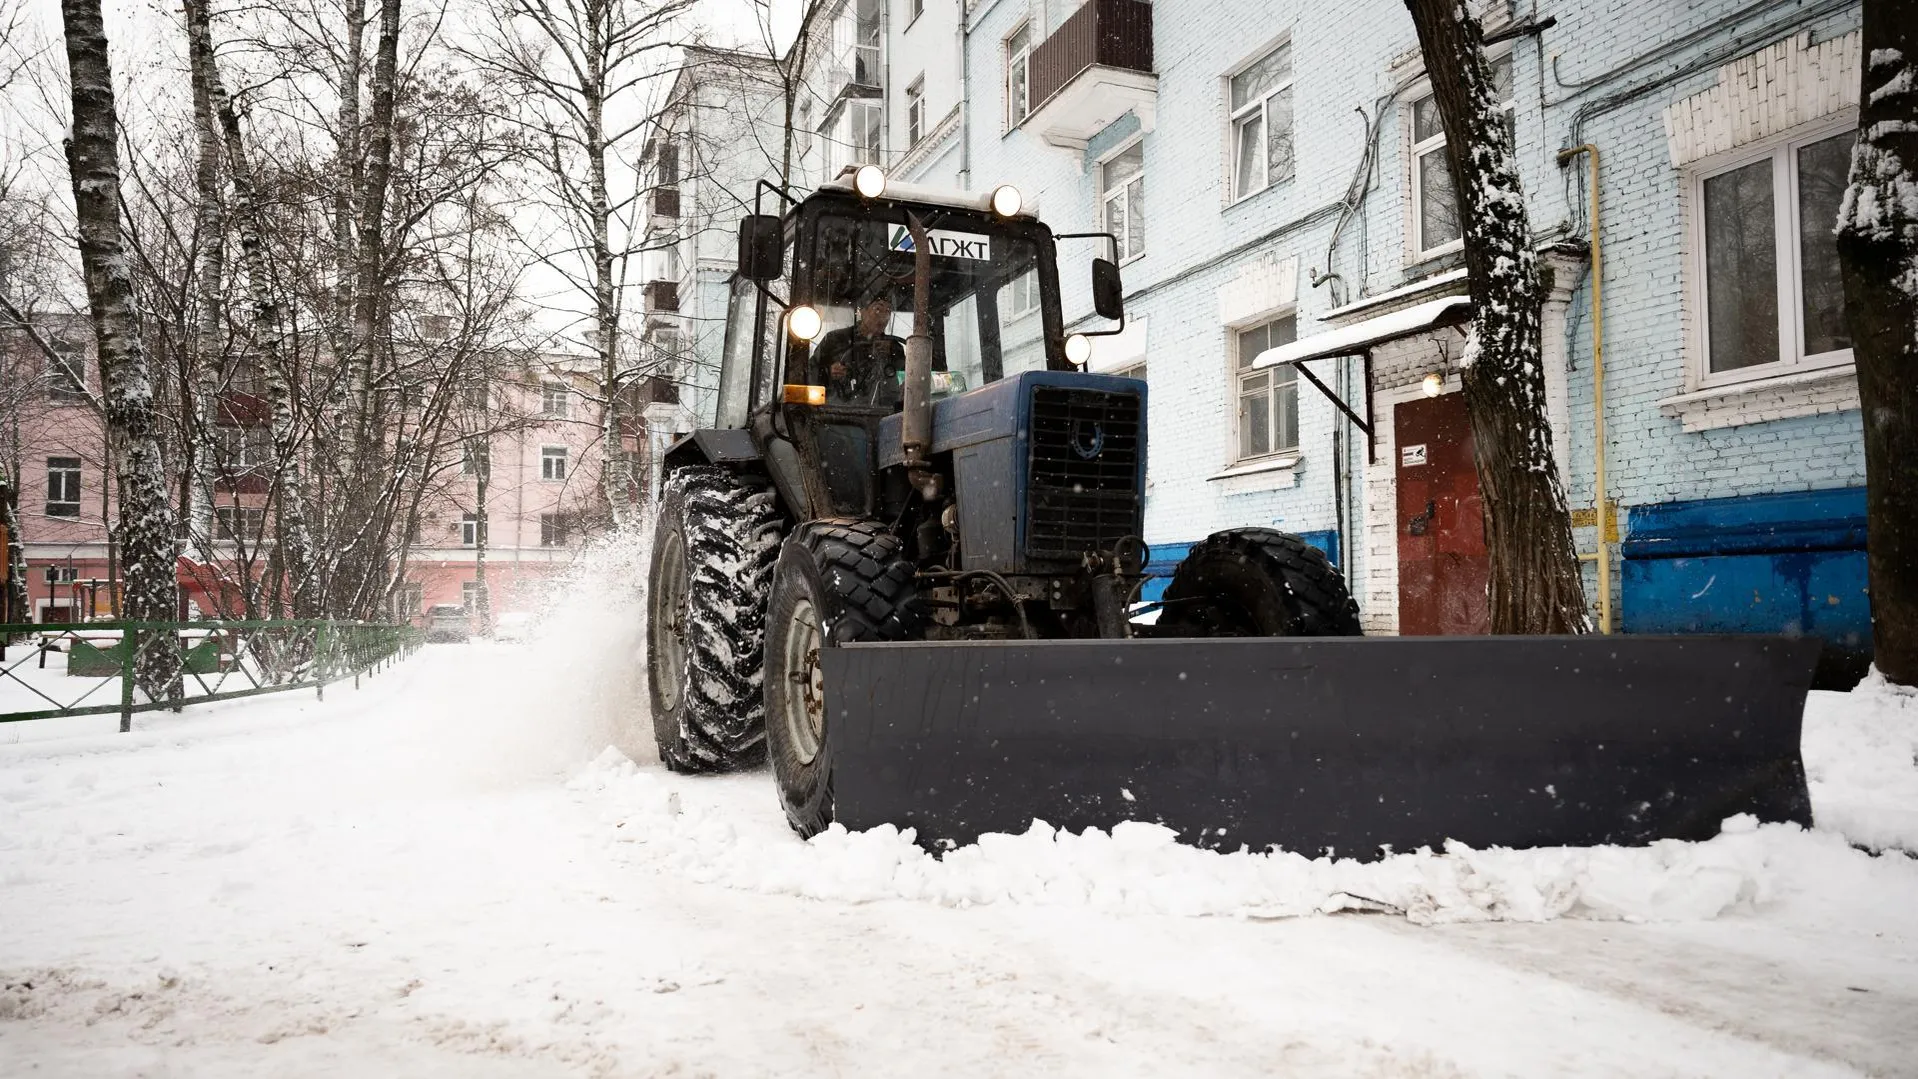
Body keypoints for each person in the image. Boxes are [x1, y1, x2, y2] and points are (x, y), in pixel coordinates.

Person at [815, 295, 906, 407]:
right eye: (878, 309)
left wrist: (892, 353)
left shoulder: (894, 347)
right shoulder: (835, 339)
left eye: (888, 311)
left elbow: (908, 378)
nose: (884, 317)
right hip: (835, 411)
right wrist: (829, 372)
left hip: (883, 413)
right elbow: (809, 372)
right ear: (863, 312)